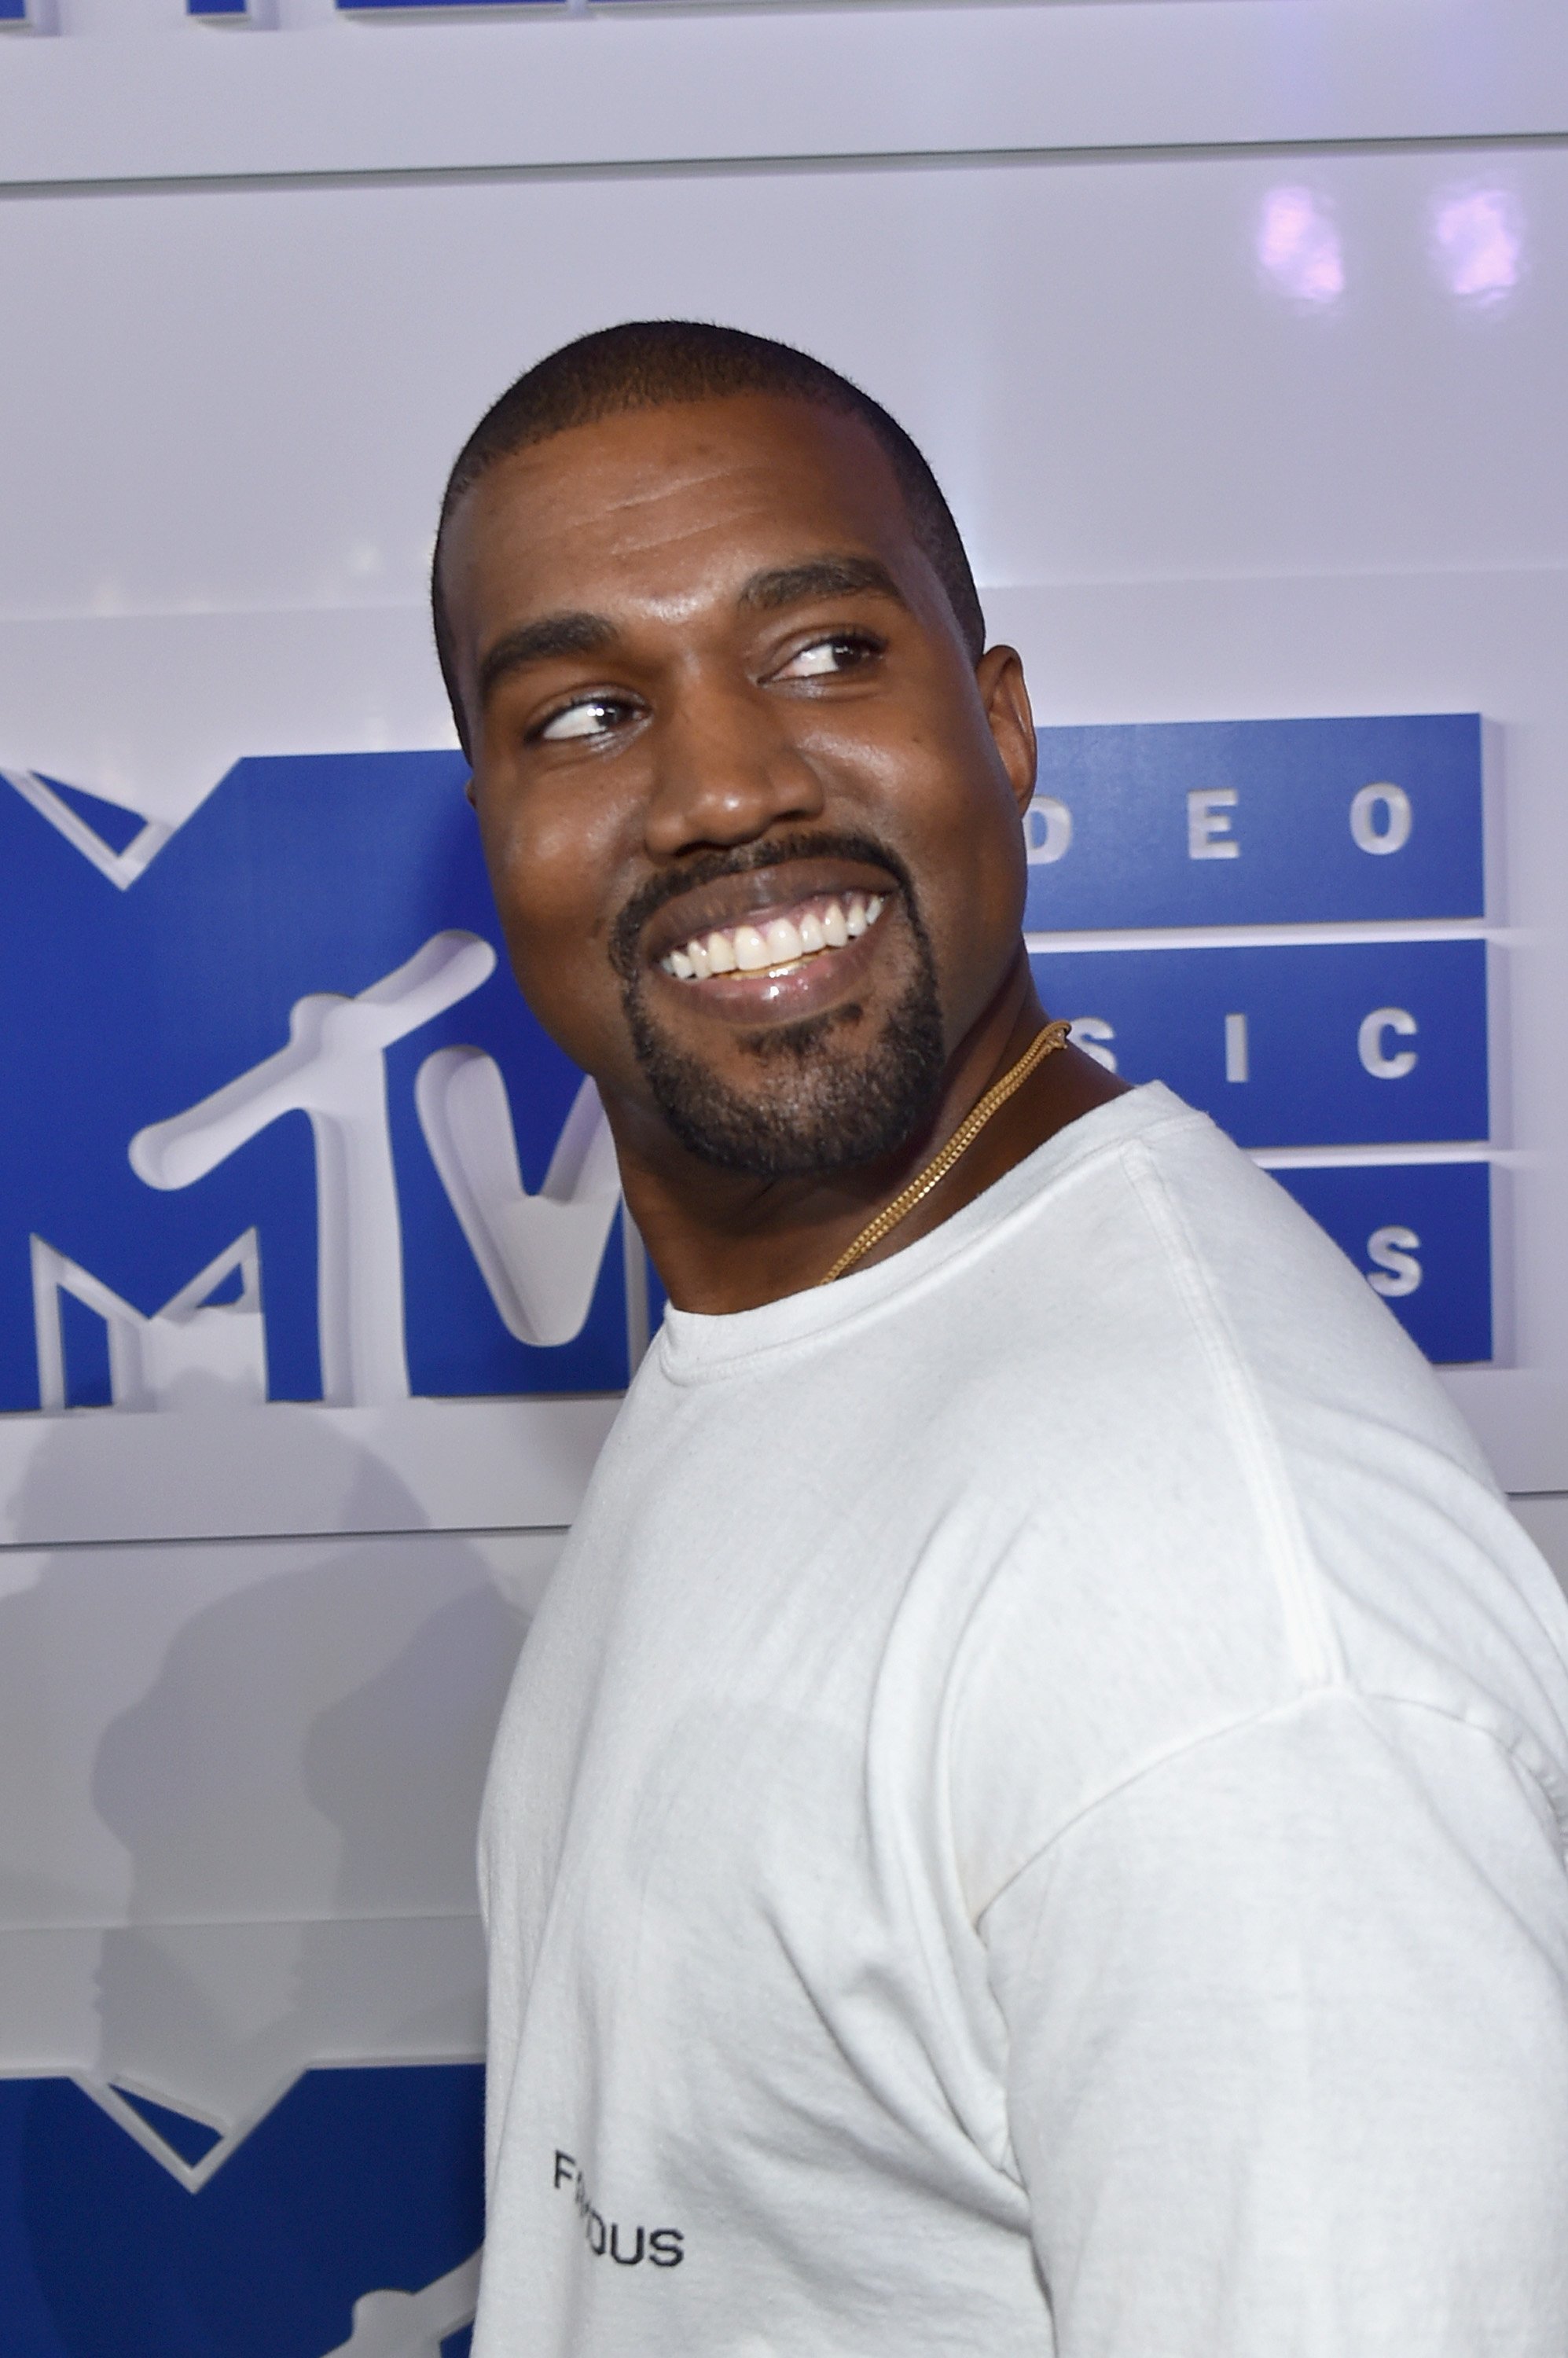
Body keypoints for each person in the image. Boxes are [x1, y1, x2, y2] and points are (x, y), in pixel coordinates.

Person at [432, 320, 1568, 2356]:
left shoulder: (1210, 1603)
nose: (719, 789)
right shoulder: (818, 1327)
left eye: (821, 658)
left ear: (1002, 726)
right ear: (491, 825)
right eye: (590, 710)